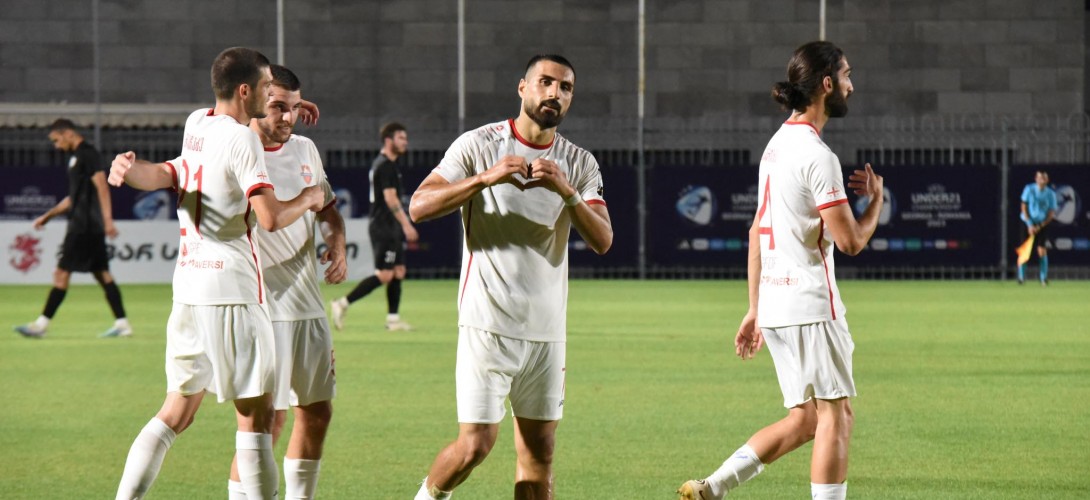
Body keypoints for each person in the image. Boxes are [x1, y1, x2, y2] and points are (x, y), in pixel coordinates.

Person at [108, 47, 326, 500]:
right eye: (268, 89)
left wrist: (130, 171)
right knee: (256, 420)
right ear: (246, 91)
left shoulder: (197, 122)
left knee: (176, 413)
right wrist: (308, 197)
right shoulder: (243, 140)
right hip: (233, 290)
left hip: (188, 284)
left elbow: (171, 173)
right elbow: (268, 217)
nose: (272, 99)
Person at [677, 41, 884, 500]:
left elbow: (756, 230)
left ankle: (712, 487)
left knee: (805, 419)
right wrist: (876, 205)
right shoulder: (818, 155)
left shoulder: (776, 146)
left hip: (776, 305)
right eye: (847, 75)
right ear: (827, 84)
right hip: (810, 304)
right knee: (836, 416)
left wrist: (755, 307)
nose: (853, 84)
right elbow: (850, 241)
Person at [407, 54, 613, 500]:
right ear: (523, 88)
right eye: (546, 82)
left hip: (546, 333)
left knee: (539, 457)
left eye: (565, 87)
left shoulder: (578, 163)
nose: (555, 93)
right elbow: (419, 206)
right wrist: (485, 178)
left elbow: (603, 239)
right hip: (488, 325)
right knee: (474, 446)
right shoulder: (479, 145)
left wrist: (568, 193)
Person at [13, 118, 132, 339]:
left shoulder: (88, 154)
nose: (56, 146)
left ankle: (40, 325)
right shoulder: (76, 158)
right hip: (87, 226)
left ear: (68, 133)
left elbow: (102, 187)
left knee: (61, 273)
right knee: (102, 274)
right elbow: (72, 198)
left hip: (84, 227)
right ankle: (123, 324)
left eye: (57, 140)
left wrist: (108, 220)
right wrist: (47, 217)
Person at [330, 122, 418, 331]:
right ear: (389, 140)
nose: (405, 142)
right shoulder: (385, 165)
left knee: (398, 271)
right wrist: (407, 225)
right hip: (384, 226)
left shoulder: (388, 164)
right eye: (401, 138)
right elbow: (390, 198)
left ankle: (393, 320)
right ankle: (342, 303)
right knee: (386, 274)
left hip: (390, 225)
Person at [1018, 170, 1057, 286]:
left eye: (1044, 178)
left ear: (1047, 180)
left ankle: (1043, 278)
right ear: (1036, 179)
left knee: (1042, 250)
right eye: (1040, 178)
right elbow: (1024, 207)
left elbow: (1051, 214)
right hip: (1027, 222)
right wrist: (1030, 224)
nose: (1042, 180)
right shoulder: (1029, 189)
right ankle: (1021, 277)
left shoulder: (1051, 194)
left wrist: (1040, 226)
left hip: (1041, 224)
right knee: (1025, 250)